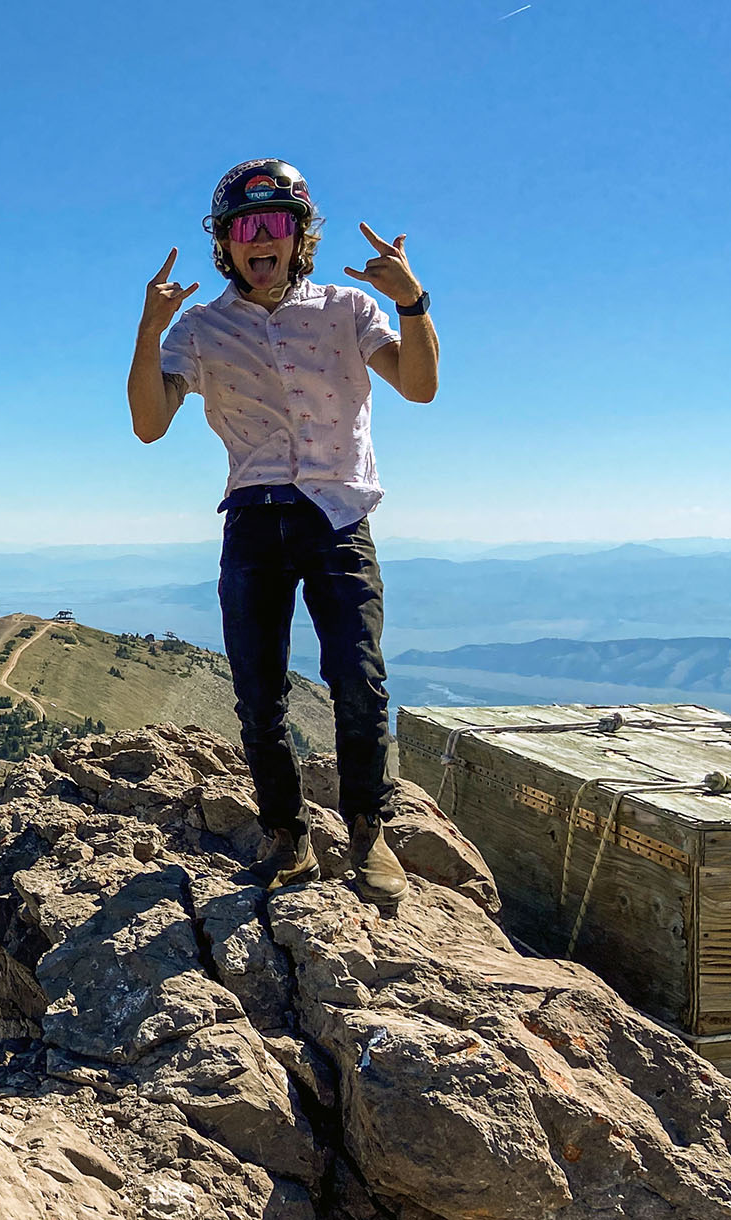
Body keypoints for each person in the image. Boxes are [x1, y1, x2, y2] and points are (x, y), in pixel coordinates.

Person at [124, 158, 438, 905]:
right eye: (242, 227)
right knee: (256, 695)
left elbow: (419, 387)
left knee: (358, 682)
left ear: (300, 235)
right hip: (254, 518)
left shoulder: (349, 308)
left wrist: (413, 304)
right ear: (223, 243)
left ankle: (368, 832)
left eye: (274, 224)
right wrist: (147, 329)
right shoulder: (200, 330)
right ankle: (286, 837)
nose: (257, 240)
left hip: (337, 516)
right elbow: (147, 424)